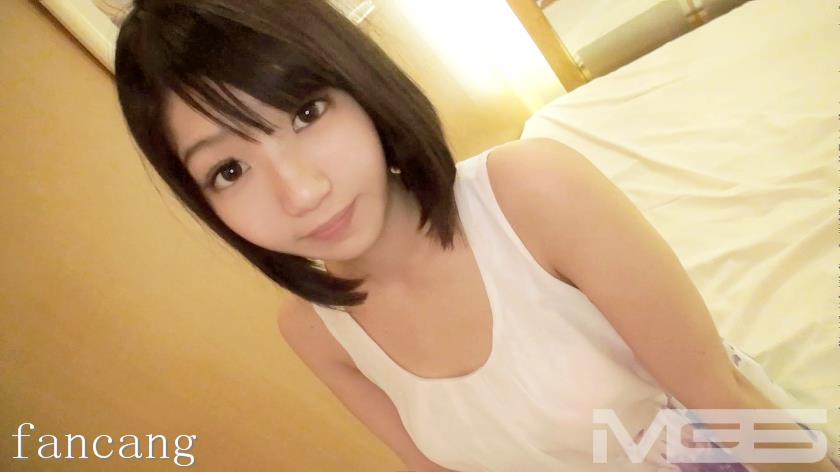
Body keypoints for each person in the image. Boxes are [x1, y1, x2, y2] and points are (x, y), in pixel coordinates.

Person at [113, 1, 838, 471]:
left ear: (360, 88)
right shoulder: (314, 332)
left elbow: (724, 400)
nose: (301, 192)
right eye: (229, 169)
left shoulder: (533, 192)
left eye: (306, 113)